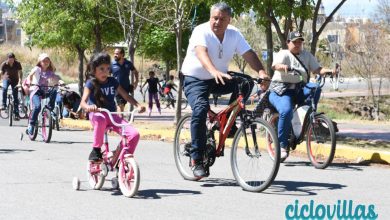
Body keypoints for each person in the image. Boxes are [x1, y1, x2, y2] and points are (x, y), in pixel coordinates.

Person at [181, 2, 269, 178]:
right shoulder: (201, 31)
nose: (217, 22)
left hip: (218, 77)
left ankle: (226, 123)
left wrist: (261, 71)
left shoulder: (234, 34)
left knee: (245, 83)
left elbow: (248, 54)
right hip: (195, 79)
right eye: (214, 18)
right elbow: (201, 53)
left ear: (229, 20)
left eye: (222, 19)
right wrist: (213, 71)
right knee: (199, 110)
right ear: (210, 18)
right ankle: (196, 159)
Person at [269, 31, 336, 160]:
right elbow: (275, 65)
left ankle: (311, 119)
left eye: (300, 41)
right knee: (286, 111)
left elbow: (317, 69)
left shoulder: (307, 55)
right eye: (294, 42)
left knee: (315, 88)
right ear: (288, 43)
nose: (297, 44)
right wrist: (283, 67)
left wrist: (328, 71)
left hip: (299, 89)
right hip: (281, 91)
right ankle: (282, 145)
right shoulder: (284, 54)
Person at [80, 52, 145, 161]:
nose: (105, 72)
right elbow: (83, 102)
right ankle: (96, 150)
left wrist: (138, 105)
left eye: (107, 69)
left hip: (112, 116)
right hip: (97, 115)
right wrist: (88, 107)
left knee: (134, 134)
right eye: (101, 69)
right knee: (100, 119)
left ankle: (122, 160)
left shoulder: (112, 81)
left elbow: (125, 95)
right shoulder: (90, 83)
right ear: (93, 70)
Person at [26, 53, 60, 135]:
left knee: (54, 90)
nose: (46, 62)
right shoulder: (37, 69)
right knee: (37, 107)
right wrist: (29, 82)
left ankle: (49, 108)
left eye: (47, 60)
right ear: (40, 62)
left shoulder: (49, 72)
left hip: (44, 90)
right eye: (44, 61)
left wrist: (61, 82)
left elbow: (56, 78)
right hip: (36, 91)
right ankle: (31, 124)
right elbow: (30, 75)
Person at [111, 48, 139, 114]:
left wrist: (136, 82)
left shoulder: (128, 63)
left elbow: (135, 72)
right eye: (114, 53)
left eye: (117, 54)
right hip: (116, 88)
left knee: (122, 106)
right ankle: (120, 122)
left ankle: (120, 121)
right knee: (120, 105)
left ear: (122, 54)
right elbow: (107, 75)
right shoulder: (112, 64)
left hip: (126, 88)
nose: (115, 55)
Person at [0, 52, 23, 120]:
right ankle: (4, 104)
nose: (11, 60)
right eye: (10, 59)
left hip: (15, 80)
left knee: (15, 95)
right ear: (7, 59)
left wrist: (20, 81)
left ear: (14, 59)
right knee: (4, 88)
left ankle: (16, 113)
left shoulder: (17, 64)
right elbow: (1, 73)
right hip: (6, 79)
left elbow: (20, 73)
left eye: (12, 59)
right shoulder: (4, 64)